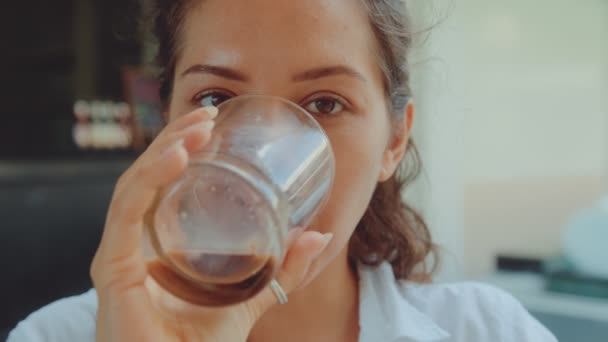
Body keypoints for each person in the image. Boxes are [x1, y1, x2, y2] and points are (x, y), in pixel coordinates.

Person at [9, 0, 557, 341]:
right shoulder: (58, 335)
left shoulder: (486, 331)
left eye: (325, 104)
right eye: (218, 97)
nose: (261, 151)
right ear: (167, 123)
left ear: (394, 139)